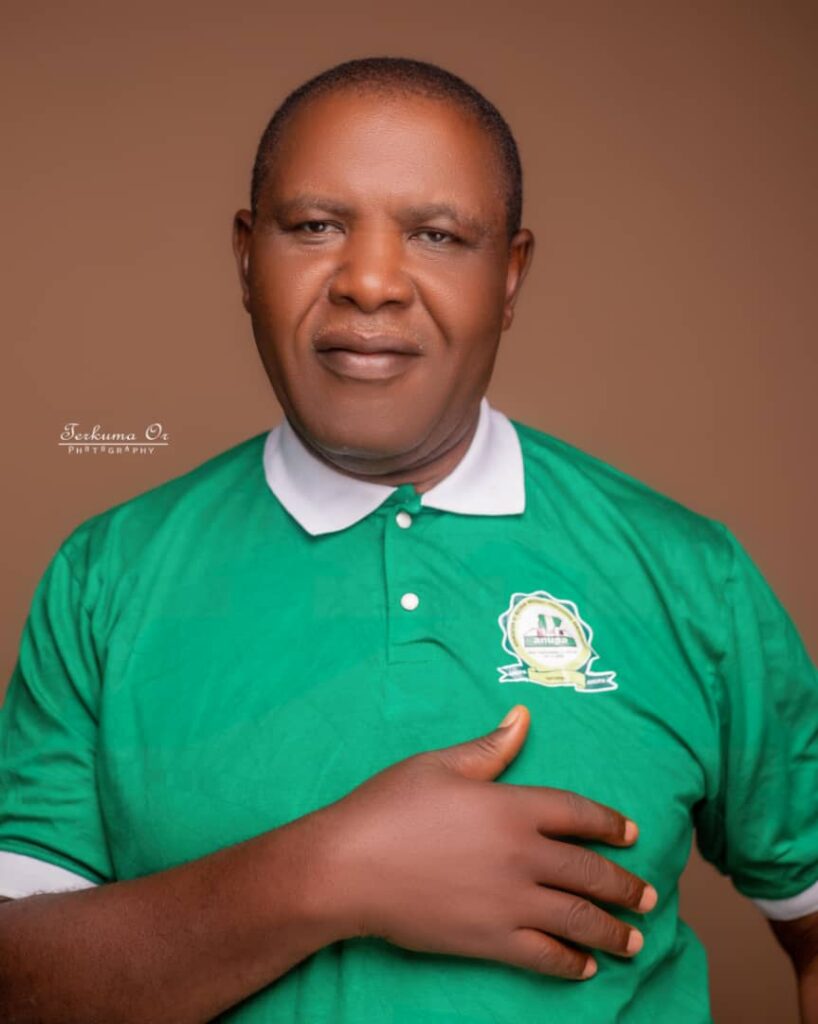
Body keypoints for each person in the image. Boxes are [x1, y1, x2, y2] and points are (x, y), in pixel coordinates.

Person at [0, 55, 815, 1024]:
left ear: (509, 275)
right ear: (246, 258)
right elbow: (19, 979)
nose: (371, 283)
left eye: (436, 235)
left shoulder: (690, 576)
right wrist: (333, 871)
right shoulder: (106, 577)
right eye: (315, 226)